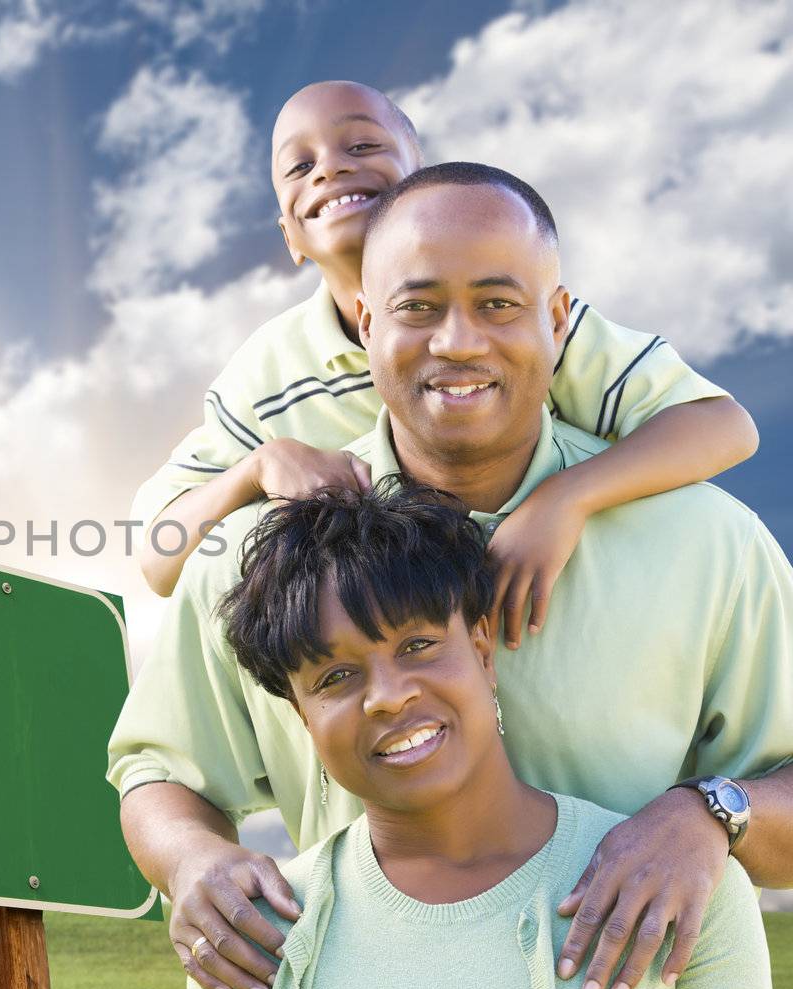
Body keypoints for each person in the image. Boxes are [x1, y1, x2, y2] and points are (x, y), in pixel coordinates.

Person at [107, 163, 793, 989]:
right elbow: (159, 768)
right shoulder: (255, 558)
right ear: (365, 322)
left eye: (499, 304)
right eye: (417, 307)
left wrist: (709, 814)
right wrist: (191, 860)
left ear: (557, 319)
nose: (457, 341)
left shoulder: (707, 544)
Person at [133, 81, 757, 662]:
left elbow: (722, 426)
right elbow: (160, 558)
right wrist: (255, 468)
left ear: (424, 187)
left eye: (362, 144)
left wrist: (565, 499)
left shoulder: (527, 327)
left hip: (562, 626)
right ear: (289, 236)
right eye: (300, 165)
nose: (331, 167)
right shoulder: (268, 373)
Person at [184, 484, 777, 989]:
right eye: (334, 678)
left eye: (417, 644)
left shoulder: (679, 880)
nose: (388, 697)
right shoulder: (246, 931)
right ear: (302, 718)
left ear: (483, 652)